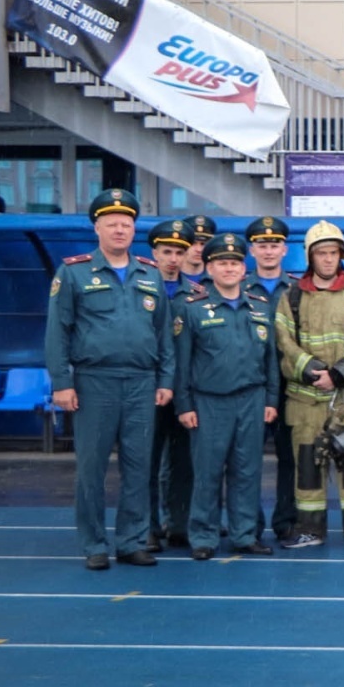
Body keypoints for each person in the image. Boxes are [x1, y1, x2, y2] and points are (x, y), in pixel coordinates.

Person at [44, 188, 173, 570]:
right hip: (93, 382)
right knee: (92, 468)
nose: (120, 230)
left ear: (134, 230)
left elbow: (164, 333)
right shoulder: (73, 272)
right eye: (112, 224)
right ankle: (95, 544)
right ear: (96, 228)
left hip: (141, 383)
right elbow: (57, 331)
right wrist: (61, 382)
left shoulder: (150, 274)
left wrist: (165, 379)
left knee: (139, 466)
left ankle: (132, 541)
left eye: (127, 224)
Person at [173, 232, 279, 559]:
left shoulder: (260, 307)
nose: (229, 268)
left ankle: (244, 534)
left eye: (234, 262)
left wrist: (271, 400)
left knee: (247, 471)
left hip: (252, 399)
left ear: (244, 267)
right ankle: (203, 538)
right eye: (222, 263)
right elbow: (182, 362)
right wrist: (184, 404)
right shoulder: (193, 308)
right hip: (209, 402)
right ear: (209, 267)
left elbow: (271, 359)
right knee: (207, 472)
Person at [276, 221, 344, 549]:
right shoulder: (290, 298)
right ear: (310, 256)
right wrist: (314, 371)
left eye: (333, 253)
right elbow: (285, 342)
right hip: (306, 403)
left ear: (342, 256)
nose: (327, 259)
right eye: (321, 253)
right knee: (307, 471)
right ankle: (310, 530)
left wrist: (337, 375)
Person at [145, 218, 199, 552]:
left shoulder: (195, 294)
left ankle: (179, 525)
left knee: (184, 462)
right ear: (154, 252)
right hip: (147, 389)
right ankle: (148, 527)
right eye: (167, 251)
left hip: (184, 390)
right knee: (145, 463)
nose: (173, 258)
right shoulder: (141, 286)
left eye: (180, 251)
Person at [243, 215, 297, 544]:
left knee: (290, 459)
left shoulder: (296, 290)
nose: (268, 250)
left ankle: (286, 522)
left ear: (284, 250)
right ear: (251, 250)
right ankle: (248, 525)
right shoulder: (236, 286)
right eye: (262, 245)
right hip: (252, 384)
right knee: (246, 460)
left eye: (274, 244)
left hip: (291, 386)